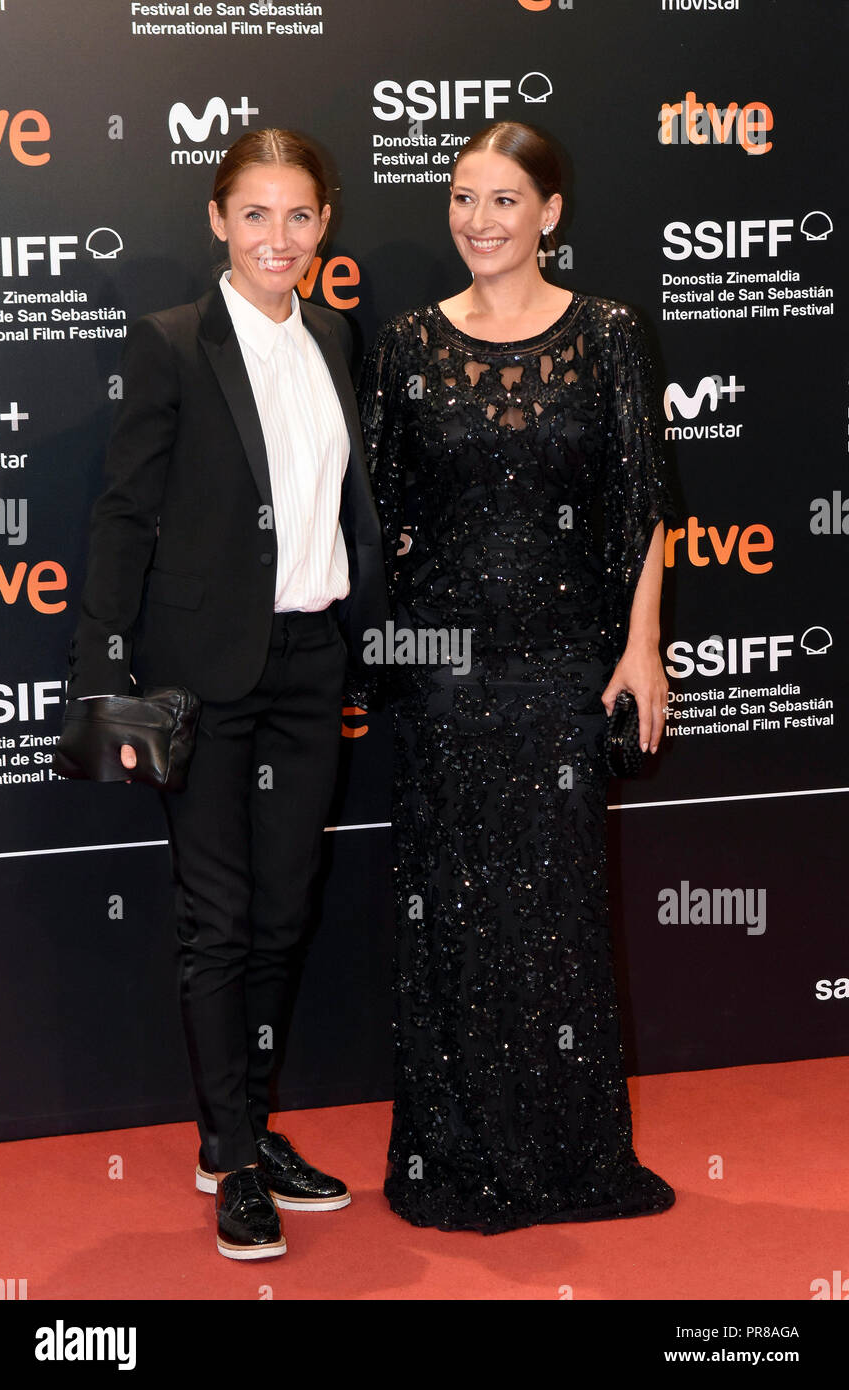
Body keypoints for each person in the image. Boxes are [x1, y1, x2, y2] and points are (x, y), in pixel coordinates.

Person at [66, 129, 387, 1259]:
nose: (278, 239)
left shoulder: (338, 336)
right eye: (256, 214)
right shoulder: (172, 344)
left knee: (286, 912)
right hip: (198, 681)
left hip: (310, 670)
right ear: (217, 220)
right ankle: (234, 1157)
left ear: (323, 226)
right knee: (221, 919)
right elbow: (122, 512)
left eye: (300, 217)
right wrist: (104, 667)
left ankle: (240, 1131)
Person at [358, 121, 678, 1234]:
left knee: (554, 918)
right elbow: (379, 516)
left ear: (550, 212)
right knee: (450, 915)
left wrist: (640, 649)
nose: (478, 220)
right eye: (462, 197)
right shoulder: (403, 344)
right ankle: (459, 1152)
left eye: (504, 199)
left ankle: (567, 1154)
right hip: (443, 672)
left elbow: (644, 504)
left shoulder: (609, 336)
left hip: (560, 669)